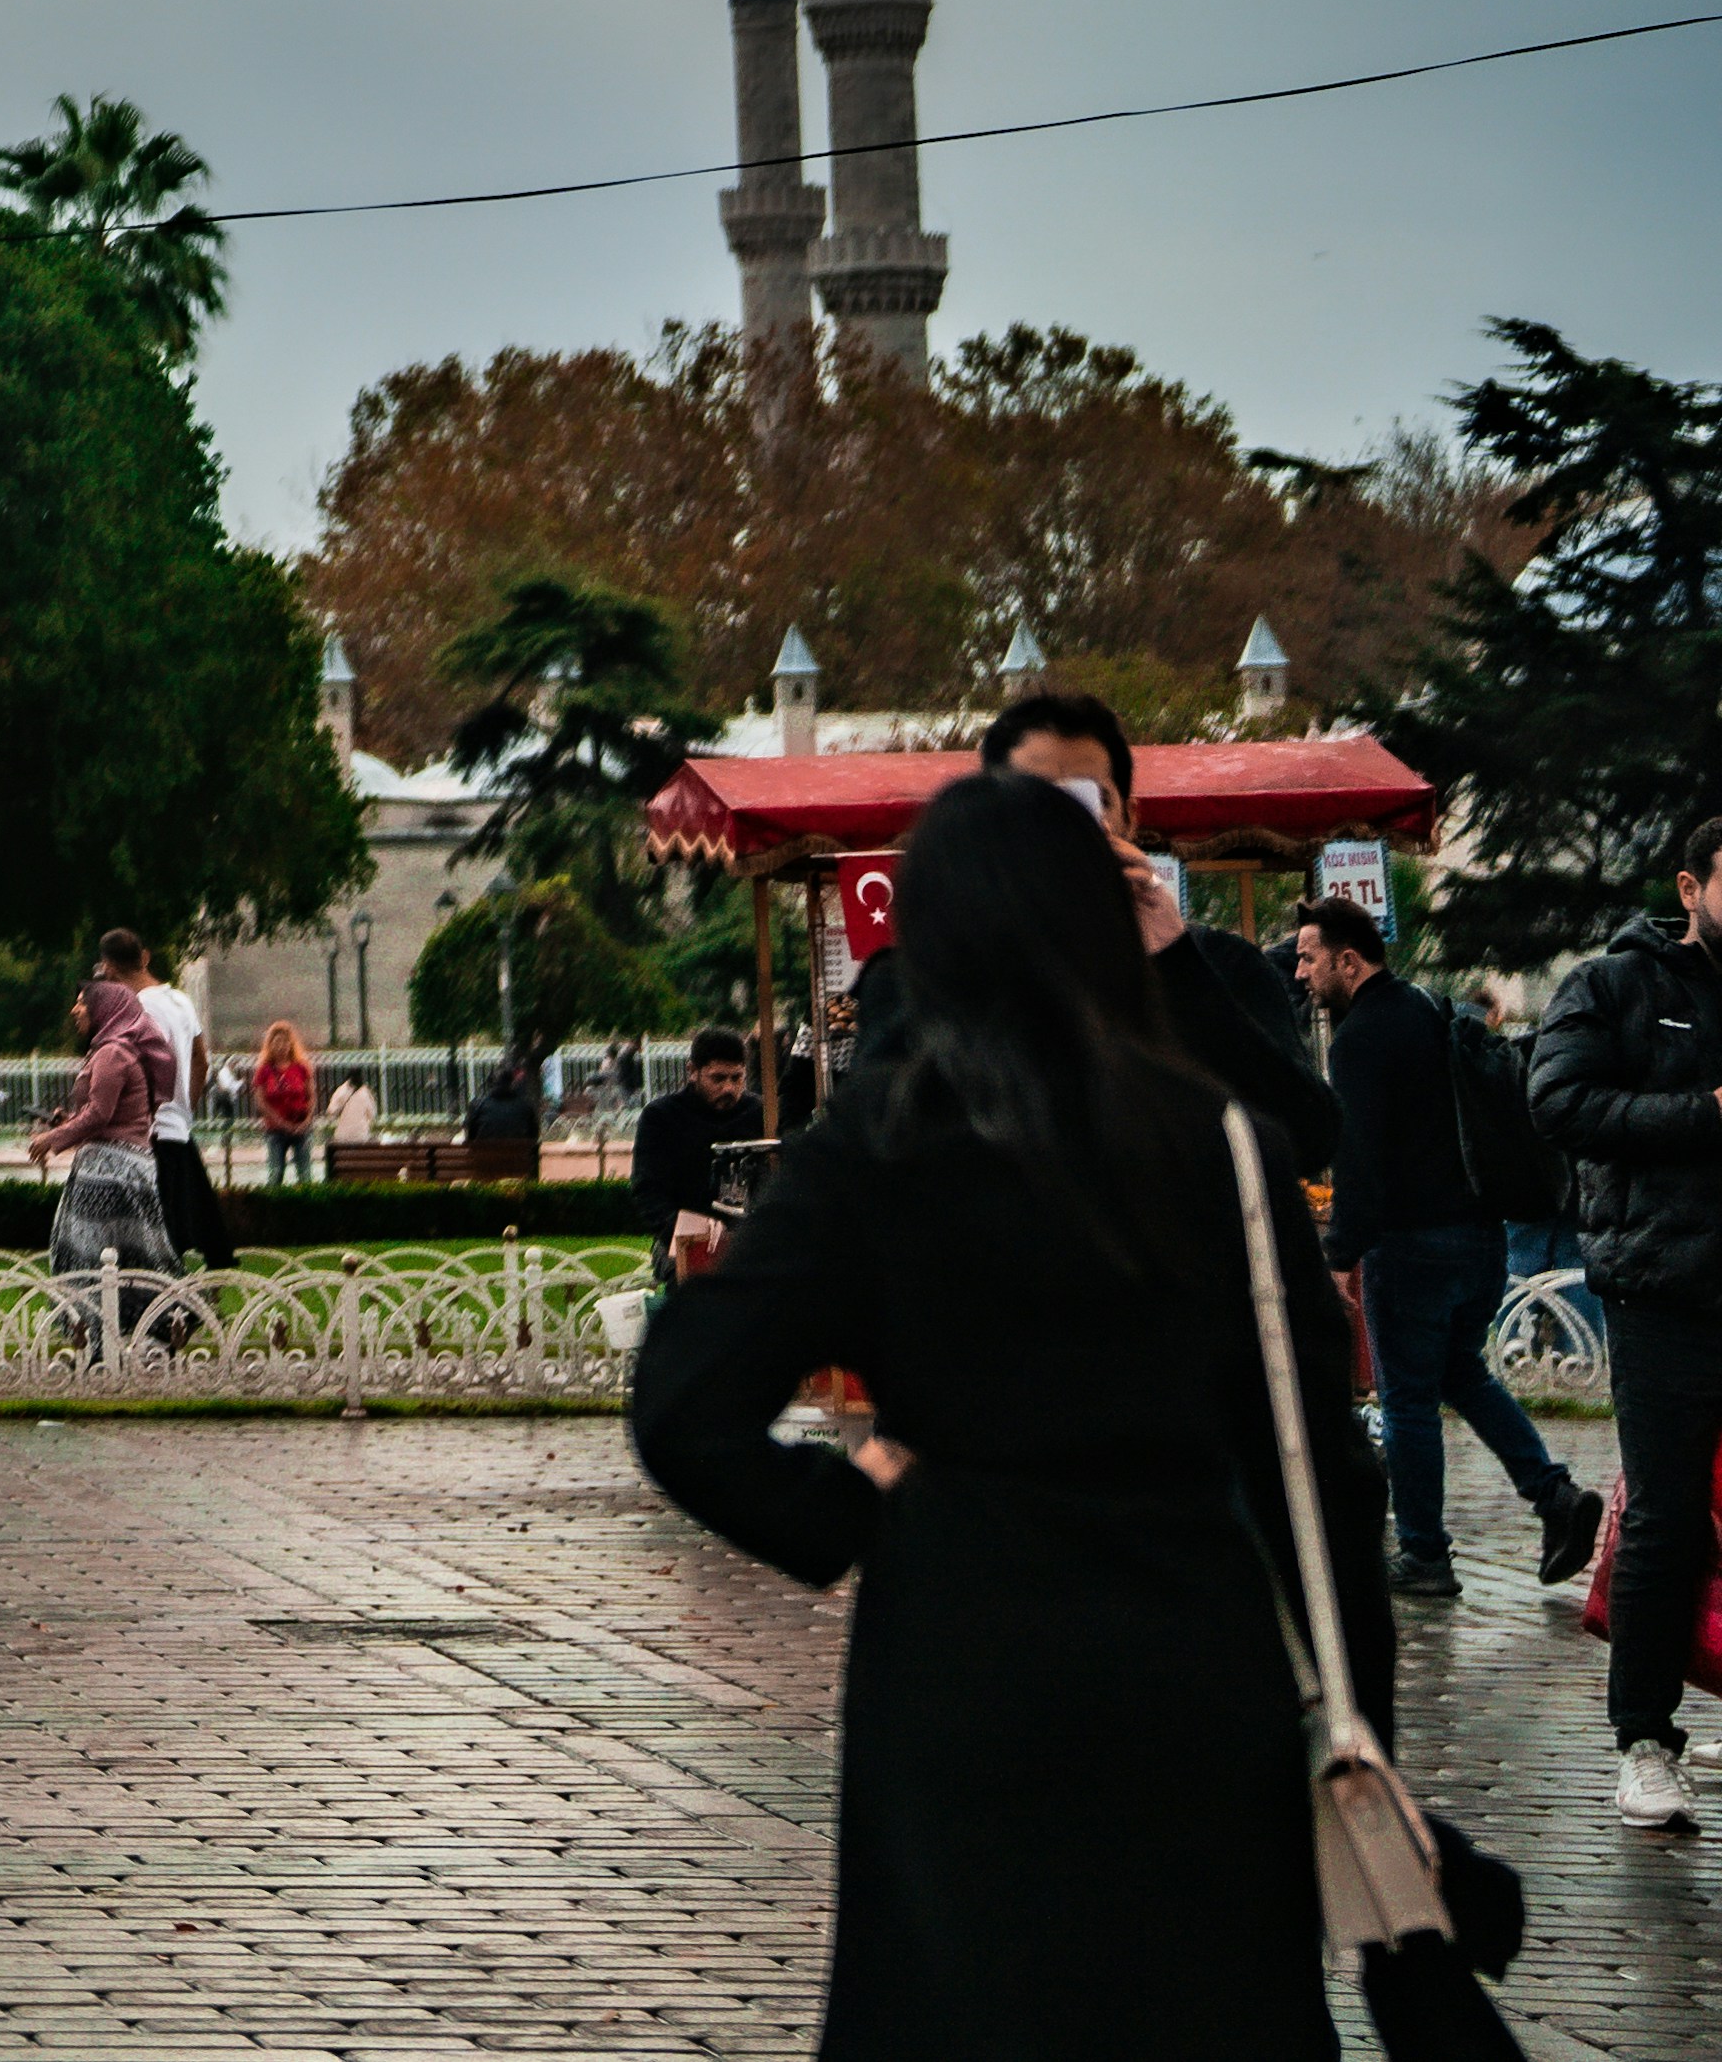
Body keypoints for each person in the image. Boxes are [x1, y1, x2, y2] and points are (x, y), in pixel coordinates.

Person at [631, 768, 1389, 2059]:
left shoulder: (883, 1137)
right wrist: (1357, 1712)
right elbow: (1316, 1462)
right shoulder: (1216, 1140)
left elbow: (683, 1401)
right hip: (1188, 1641)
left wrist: (848, 1500)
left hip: (963, 1642)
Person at [846, 691, 1330, 1173]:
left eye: (1086, 799)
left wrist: (1174, 960)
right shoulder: (920, 980)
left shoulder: (1219, 966)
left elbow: (1309, 1138)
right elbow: (871, 1151)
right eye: (1036, 803)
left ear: (1129, 818)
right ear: (992, 822)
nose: (1063, 828)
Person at [1292, 896, 1597, 1608]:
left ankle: (1425, 1553)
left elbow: (1359, 1157)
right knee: (1461, 1371)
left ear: (1348, 960)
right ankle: (1553, 1493)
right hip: (1479, 1234)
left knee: (1406, 1399)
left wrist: (1341, 1253)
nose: (1303, 972)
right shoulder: (1431, 1008)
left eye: (1310, 957)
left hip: (1412, 1244)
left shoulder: (1360, 1037)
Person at [1533, 809, 1722, 1826]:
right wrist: (1703, 1110)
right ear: (1688, 887)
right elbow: (1557, 1100)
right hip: (1665, 1285)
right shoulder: (1615, 984)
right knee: (1665, 1515)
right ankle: (1644, 1740)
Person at [26, 968, 178, 1309]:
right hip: (123, 1166)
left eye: (82, 1003)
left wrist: (52, 1137)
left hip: (112, 1171)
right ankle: (149, 1325)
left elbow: (100, 1115)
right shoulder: (114, 1051)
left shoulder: (112, 1053)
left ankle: (97, 1331)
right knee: (133, 1259)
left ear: (104, 1009)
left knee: (90, 1261)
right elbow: (105, 1115)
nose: (75, 1010)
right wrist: (70, 1124)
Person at [117, 935, 233, 1269]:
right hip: (177, 1129)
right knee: (188, 1226)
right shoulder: (181, 1001)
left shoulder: (136, 1007)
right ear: (146, 956)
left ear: (109, 968)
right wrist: (185, 1106)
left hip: (149, 1133)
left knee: (153, 1234)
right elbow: (201, 1060)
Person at [629, 1026, 752, 1273]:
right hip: (681, 1238)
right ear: (692, 1072)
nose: (728, 1088)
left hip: (748, 1239)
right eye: (718, 1078)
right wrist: (686, 1232)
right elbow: (648, 1191)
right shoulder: (662, 1117)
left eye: (736, 1078)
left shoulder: (759, 1114)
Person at [247, 1020, 318, 1188]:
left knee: (305, 1174)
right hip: (275, 1130)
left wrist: (307, 1120)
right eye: (277, 1042)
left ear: (291, 1044)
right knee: (276, 1173)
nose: (281, 1046)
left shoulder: (301, 1068)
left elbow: (311, 1095)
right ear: (270, 1045)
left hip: (301, 1128)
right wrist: (281, 1123)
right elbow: (261, 1102)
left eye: (285, 1042)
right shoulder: (263, 1071)